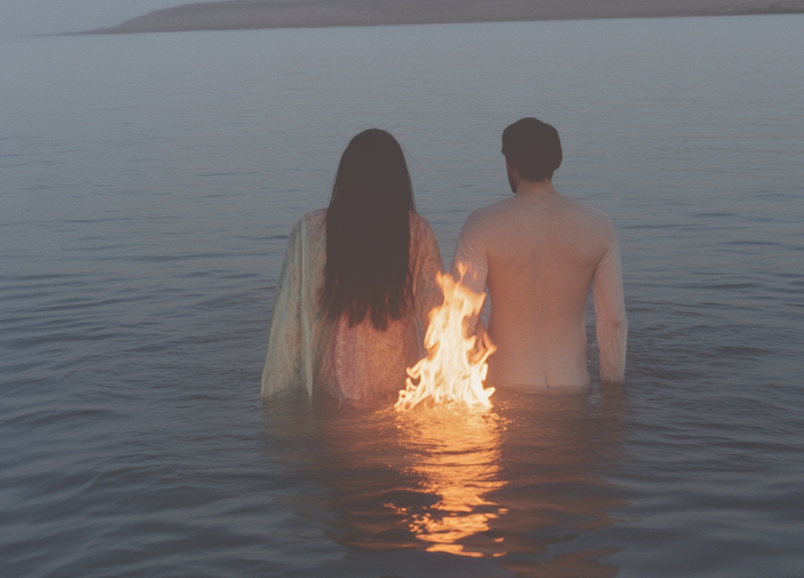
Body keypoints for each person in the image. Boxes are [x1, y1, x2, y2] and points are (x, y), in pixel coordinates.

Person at [261, 129, 443, 403]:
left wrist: (281, 399)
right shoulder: (416, 231)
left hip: (331, 378)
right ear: (398, 178)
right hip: (397, 380)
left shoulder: (310, 230)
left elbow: (289, 315)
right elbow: (437, 312)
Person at [453, 118, 627, 388]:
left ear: (510, 163)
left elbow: (461, 316)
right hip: (573, 387)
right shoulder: (598, 225)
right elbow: (613, 319)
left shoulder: (482, 224)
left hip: (507, 384)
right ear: (557, 161)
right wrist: (613, 391)